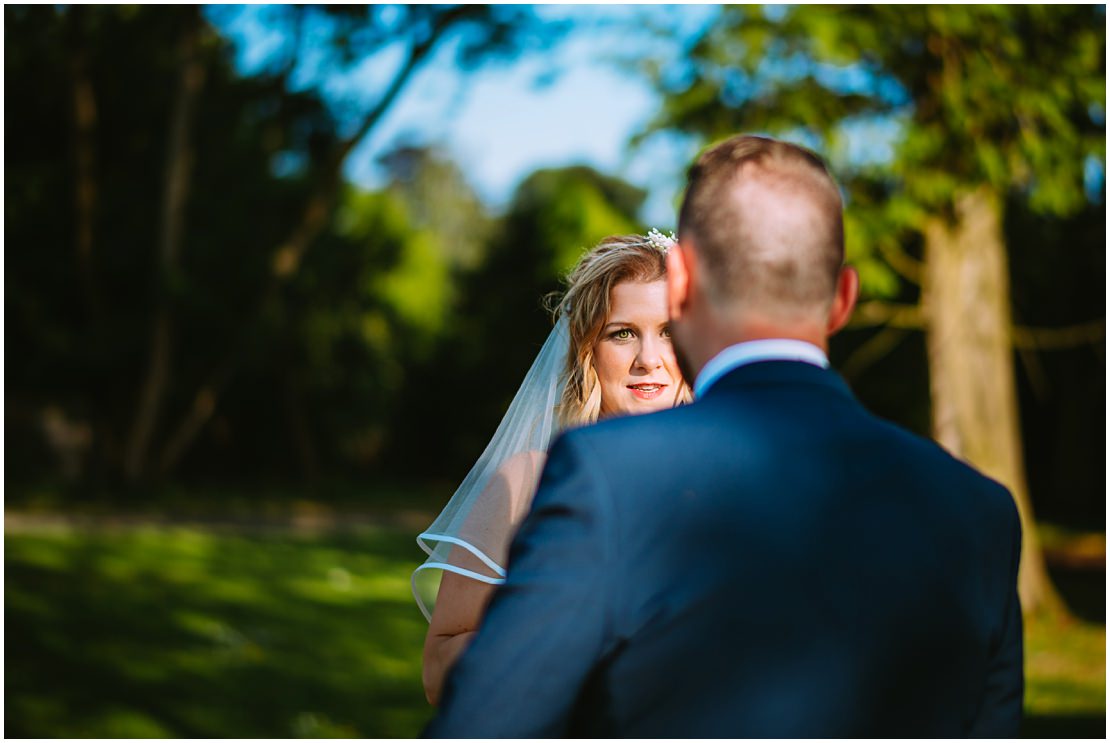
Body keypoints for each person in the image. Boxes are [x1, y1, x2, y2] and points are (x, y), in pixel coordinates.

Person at [424, 135, 1023, 737]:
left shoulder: (604, 478)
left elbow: (481, 721)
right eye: (623, 335)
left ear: (682, 286)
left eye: (658, 330)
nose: (647, 359)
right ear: (844, 298)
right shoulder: (983, 511)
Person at [413, 233, 691, 705]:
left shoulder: (730, 481)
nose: (649, 359)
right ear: (587, 350)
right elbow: (439, 671)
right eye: (622, 333)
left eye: (669, 331)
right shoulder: (529, 483)